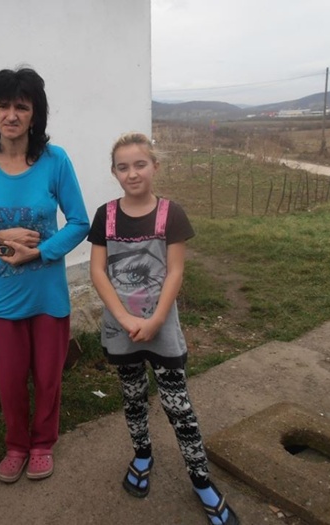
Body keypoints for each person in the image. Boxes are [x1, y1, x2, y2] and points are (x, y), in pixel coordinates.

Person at [87, 132, 239, 524]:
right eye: (123, 167)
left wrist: (154, 320)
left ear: (155, 166)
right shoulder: (105, 215)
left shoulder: (172, 214)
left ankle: (201, 480)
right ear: (114, 172)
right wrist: (125, 319)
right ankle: (142, 455)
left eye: (140, 164)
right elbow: (98, 271)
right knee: (133, 397)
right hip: (121, 329)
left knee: (178, 406)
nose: (132, 173)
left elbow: (175, 272)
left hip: (162, 329)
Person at [0, 67, 89, 484]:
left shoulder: (56, 161)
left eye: (22, 106)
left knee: (48, 376)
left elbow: (79, 222)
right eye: (3, 105)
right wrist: (0, 237)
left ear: (35, 113)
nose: (11, 115)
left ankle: (42, 444)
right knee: (10, 379)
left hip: (47, 292)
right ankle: (16, 445)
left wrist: (39, 251)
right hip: (3, 294)